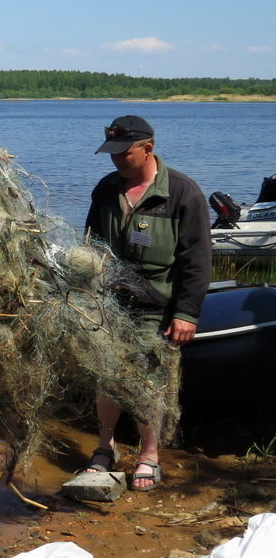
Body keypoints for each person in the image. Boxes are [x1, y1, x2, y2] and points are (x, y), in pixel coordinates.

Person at [83, 115, 211, 490]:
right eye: (112, 153)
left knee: (148, 382)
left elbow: (198, 260)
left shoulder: (183, 193)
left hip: (156, 304)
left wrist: (187, 313)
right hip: (110, 304)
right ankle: (105, 447)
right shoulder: (106, 190)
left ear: (148, 148)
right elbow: (91, 246)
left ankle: (149, 455)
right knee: (105, 377)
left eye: (124, 153)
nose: (117, 160)